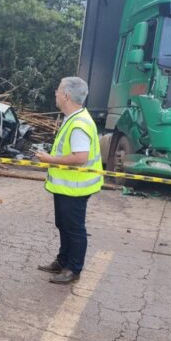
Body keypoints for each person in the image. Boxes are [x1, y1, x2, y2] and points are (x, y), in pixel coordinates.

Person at [35, 77, 103, 284]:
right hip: (66, 186)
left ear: (66, 95)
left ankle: (73, 269)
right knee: (63, 224)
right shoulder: (72, 117)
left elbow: (80, 158)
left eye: (57, 90)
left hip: (76, 187)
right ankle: (62, 260)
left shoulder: (79, 123)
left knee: (74, 228)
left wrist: (50, 160)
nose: (55, 93)